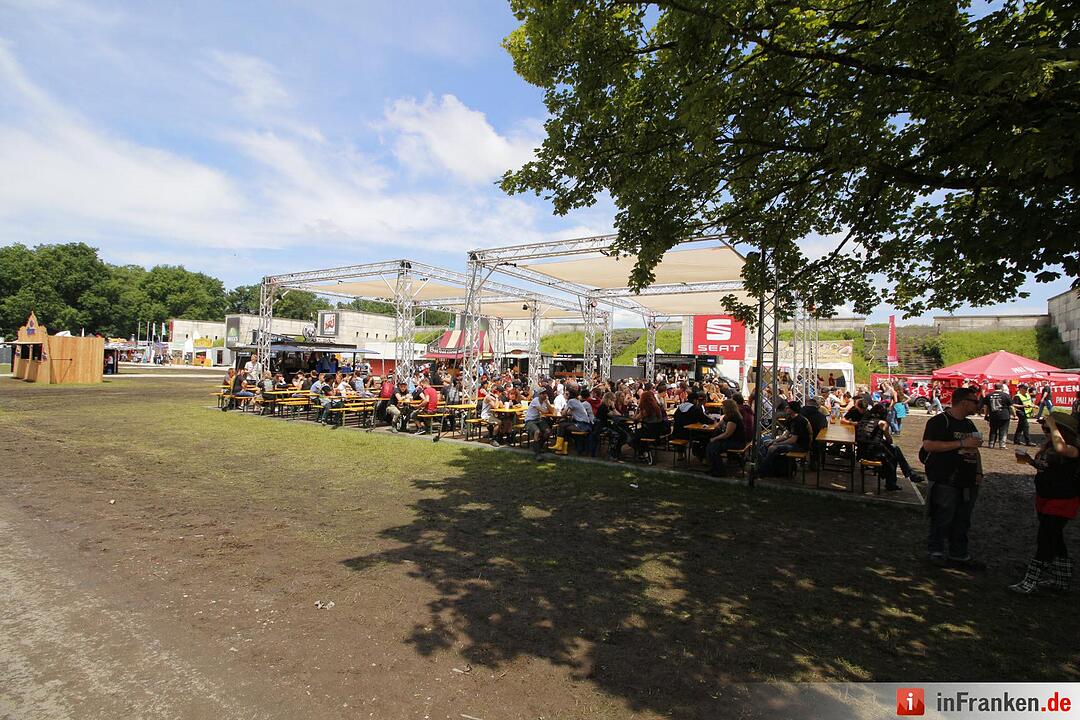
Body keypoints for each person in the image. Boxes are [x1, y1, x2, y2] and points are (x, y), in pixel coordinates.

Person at [1010, 412, 1080, 593]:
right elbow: (1047, 468)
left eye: (1048, 429)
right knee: (1056, 538)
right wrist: (1030, 461)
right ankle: (1061, 580)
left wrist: (1053, 425)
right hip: (1045, 497)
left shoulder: (1073, 448)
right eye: (1044, 429)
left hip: (1062, 500)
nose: (1045, 432)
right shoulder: (1049, 447)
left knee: (1045, 539)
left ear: (1062, 431)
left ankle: (1030, 581)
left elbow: (1062, 450)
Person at [921, 386, 985, 567]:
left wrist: (979, 471)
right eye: (975, 401)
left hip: (967, 479)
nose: (978, 405)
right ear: (964, 402)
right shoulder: (939, 421)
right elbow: (929, 446)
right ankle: (936, 552)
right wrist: (961, 443)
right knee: (942, 517)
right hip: (945, 478)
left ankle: (959, 554)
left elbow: (974, 450)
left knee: (963, 520)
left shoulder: (969, 424)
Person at [856, 404, 920, 491]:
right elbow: (890, 441)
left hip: (860, 453)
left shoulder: (863, 421)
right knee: (894, 455)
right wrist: (885, 430)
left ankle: (907, 475)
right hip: (872, 454)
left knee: (894, 450)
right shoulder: (882, 423)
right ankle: (902, 478)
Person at [759, 402, 812, 477]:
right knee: (766, 443)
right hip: (794, 444)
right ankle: (769, 468)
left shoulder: (800, 421)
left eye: (788, 407)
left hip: (801, 446)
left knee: (772, 448)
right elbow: (785, 436)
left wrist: (776, 444)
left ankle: (763, 471)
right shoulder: (791, 418)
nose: (785, 409)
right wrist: (773, 441)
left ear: (792, 410)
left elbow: (793, 440)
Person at [706, 399, 747, 476]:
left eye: (723, 406)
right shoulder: (727, 416)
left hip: (737, 442)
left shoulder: (734, 418)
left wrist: (715, 438)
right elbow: (719, 424)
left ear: (728, 408)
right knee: (710, 446)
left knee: (714, 448)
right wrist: (718, 426)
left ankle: (720, 470)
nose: (722, 408)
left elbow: (727, 434)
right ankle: (713, 468)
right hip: (730, 440)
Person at [554, 387, 594, 455]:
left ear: (570, 394)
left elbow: (563, 414)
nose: (565, 395)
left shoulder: (571, 401)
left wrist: (563, 411)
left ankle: (559, 446)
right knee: (565, 429)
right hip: (586, 425)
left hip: (581, 425)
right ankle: (563, 450)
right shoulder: (576, 401)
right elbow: (570, 413)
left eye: (567, 394)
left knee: (561, 425)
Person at [673, 393, 712, 460]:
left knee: (680, 431)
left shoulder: (680, 407)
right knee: (706, 436)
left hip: (676, 432)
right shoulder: (694, 408)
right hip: (689, 433)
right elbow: (704, 419)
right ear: (694, 400)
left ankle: (680, 455)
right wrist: (712, 420)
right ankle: (703, 458)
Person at [595, 391, 633, 460]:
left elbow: (619, 415)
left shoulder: (607, 407)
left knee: (624, 433)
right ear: (609, 399)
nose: (614, 401)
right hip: (601, 427)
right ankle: (612, 453)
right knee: (618, 434)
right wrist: (613, 408)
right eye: (613, 399)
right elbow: (616, 415)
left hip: (608, 425)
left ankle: (617, 452)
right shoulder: (603, 407)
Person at [523, 388, 553, 459]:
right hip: (529, 421)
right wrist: (547, 410)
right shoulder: (535, 400)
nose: (544, 395)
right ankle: (537, 453)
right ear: (539, 395)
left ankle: (538, 446)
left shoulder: (545, 401)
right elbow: (544, 411)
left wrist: (547, 403)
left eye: (545, 393)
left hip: (538, 420)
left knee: (548, 431)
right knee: (537, 431)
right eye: (542, 394)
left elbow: (552, 411)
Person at [982, 383, 1013, 449]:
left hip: (993, 415)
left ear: (994, 387)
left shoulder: (989, 395)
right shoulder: (1006, 395)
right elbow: (1011, 407)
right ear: (1002, 388)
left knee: (993, 430)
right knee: (1003, 430)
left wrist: (986, 415)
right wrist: (1014, 415)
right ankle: (1002, 445)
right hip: (1004, 415)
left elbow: (986, 407)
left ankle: (991, 444)